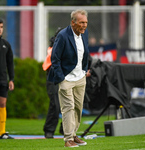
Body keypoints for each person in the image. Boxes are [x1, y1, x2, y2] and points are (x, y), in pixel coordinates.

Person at [48, 9, 89, 147]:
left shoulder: (84, 34)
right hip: (66, 79)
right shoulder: (63, 35)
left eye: (86, 22)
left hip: (80, 78)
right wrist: (61, 78)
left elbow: (85, 54)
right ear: (73, 22)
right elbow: (55, 58)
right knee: (68, 108)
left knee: (78, 108)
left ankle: (74, 134)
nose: (84, 25)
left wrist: (84, 70)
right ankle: (68, 139)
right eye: (81, 22)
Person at [42, 27, 64, 138]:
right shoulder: (53, 48)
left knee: (70, 104)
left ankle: (65, 129)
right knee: (55, 105)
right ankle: (49, 130)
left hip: (65, 78)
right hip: (53, 79)